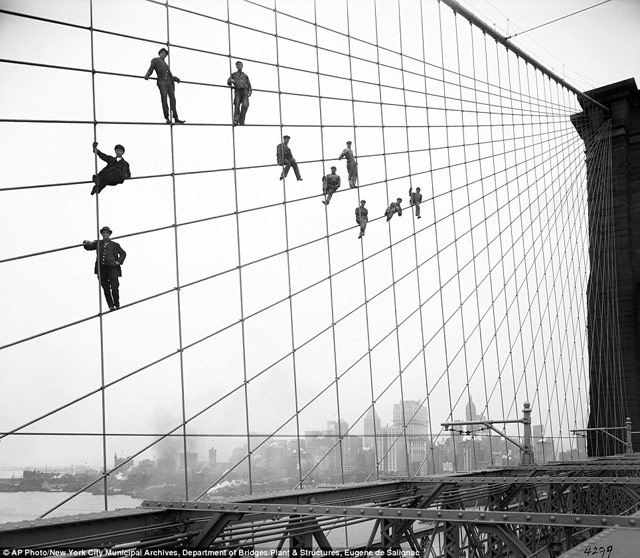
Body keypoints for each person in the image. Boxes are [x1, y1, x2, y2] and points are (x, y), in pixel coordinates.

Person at [83, 227, 127, 311]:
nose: (105, 234)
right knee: (106, 288)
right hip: (101, 269)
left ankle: (117, 304)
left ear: (109, 234)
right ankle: (110, 305)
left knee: (114, 287)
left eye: (107, 233)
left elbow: (123, 254)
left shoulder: (115, 245)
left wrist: (118, 262)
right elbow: (89, 246)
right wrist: (85, 242)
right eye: (103, 233)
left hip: (112, 268)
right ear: (102, 234)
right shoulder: (98, 243)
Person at [144, 48, 185, 124]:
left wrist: (175, 78)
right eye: (162, 53)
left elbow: (170, 75)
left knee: (173, 101)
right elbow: (151, 68)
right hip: (162, 82)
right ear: (159, 54)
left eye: (165, 54)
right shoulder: (155, 60)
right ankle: (167, 118)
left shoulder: (166, 64)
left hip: (170, 83)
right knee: (164, 100)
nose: (163, 54)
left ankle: (176, 118)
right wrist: (147, 75)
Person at [227, 60, 252, 126]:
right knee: (237, 106)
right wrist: (230, 81)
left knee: (245, 105)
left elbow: (249, 84)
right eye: (238, 65)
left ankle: (241, 121)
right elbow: (228, 81)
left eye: (240, 65)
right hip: (238, 91)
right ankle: (235, 120)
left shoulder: (245, 75)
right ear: (236, 66)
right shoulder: (234, 74)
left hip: (245, 91)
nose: (239, 66)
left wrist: (250, 91)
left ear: (242, 66)